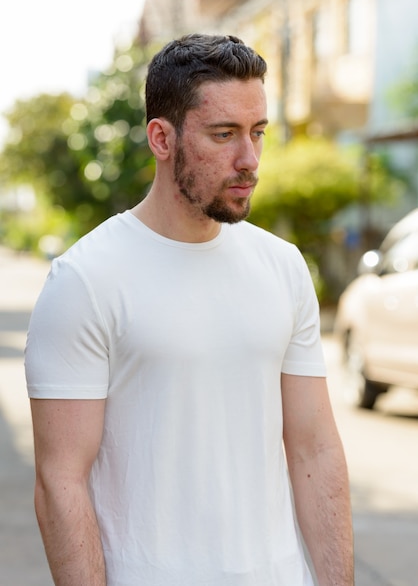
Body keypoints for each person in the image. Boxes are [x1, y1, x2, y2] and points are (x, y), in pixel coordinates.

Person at [25, 33, 354, 586]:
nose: (248, 159)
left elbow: (315, 451)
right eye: (223, 134)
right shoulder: (85, 280)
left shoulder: (284, 267)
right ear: (161, 138)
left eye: (257, 134)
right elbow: (61, 482)